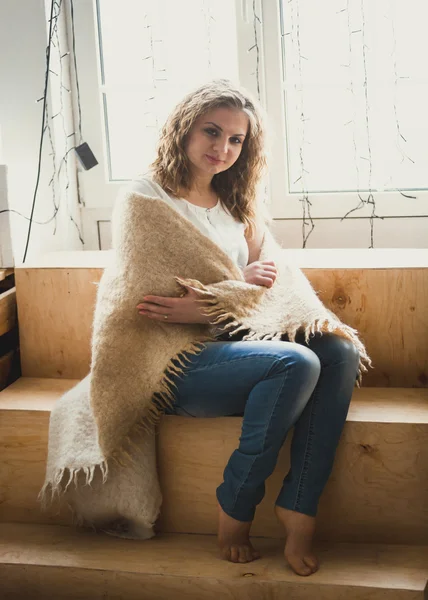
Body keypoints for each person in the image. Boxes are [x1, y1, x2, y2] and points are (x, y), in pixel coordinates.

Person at [121, 79, 360, 577]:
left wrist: (217, 301)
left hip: (235, 346)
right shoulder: (147, 198)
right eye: (212, 131)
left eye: (236, 140)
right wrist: (231, 291)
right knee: (293, 362)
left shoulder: (236, 203)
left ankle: (300, 503)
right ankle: (237, 502)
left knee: (336, 351)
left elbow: (268, 285)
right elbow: (151, 301)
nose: (222, 148)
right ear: (183, 127)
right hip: (170, 364)